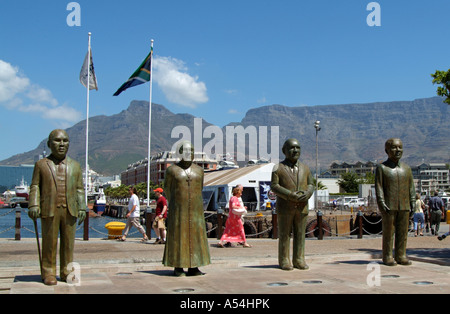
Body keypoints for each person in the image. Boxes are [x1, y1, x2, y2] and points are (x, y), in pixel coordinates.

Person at [28, 129, 86, 285]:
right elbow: (35, 186)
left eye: (65, 141)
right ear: (49, 144)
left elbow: (80, 188)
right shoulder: (41, 165)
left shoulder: (75, 165)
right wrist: (33, 204)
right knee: (49, 243)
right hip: (49, 209)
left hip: (70, 210)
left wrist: (82, 207)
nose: (62, 144)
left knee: (68, 244)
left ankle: (67, 271)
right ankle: (48, 272)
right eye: (57, 141)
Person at [162, 141, 211, 277]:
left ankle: (194, 267)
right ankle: (178, 266)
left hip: (196, 210)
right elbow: (167, 189)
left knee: (196, 238)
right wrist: (176, 204)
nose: (189, 154)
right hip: (179, 210)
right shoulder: (171, 170)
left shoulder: (199, 171)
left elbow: (199, 188)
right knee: (178, 237)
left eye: (191, 151)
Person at [271, 138, 314, 271]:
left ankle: (299, 259)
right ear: (284, 151)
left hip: (302, 207)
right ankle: (284, 259)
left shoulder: (305, 168)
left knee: (300, 234)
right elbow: (274, 186)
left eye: (298, 148)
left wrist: (308, 193)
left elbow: (311, 184)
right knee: (284, 234)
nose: (295, 150)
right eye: (291, 148)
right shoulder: (278, 168)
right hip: (285, 207)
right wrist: (289, 195)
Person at [375, 138, 415, 266]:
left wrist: (412, 201)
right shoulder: (382, 168)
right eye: (394, 147)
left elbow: (411, 187)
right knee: (388, 232)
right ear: (387, 150)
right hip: (389, 205)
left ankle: (401, 255)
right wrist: (381, 202)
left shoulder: (407, 169)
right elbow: (379, 187)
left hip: (404, 205)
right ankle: (387, 256)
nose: (398, 150)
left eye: (400, 147)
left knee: (403, 232)